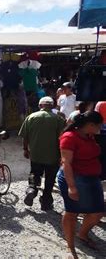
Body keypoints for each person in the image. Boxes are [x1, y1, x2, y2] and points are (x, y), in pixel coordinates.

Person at [57, 111, 104, 258]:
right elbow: (66, 163)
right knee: (71, 212)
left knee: (97, 212)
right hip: (74, 178)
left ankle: (82, 234)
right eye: (99, 125)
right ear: (90, 125)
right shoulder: (69, 137)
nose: (101, 127)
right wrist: (72, 187)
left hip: (91, 178)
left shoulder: (88, 136)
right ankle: (71, 247)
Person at [19, 96, 66, 210]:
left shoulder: (31, 117)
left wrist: (25, 149)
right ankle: (46, 202)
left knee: (35, 174)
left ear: (40, 106)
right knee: (50, 179)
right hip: (53, 156)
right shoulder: (58, 119)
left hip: (36, 154)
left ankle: (32, 190)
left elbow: (25, 136)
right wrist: (63, 155)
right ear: (52, 106)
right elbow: (63, 139)